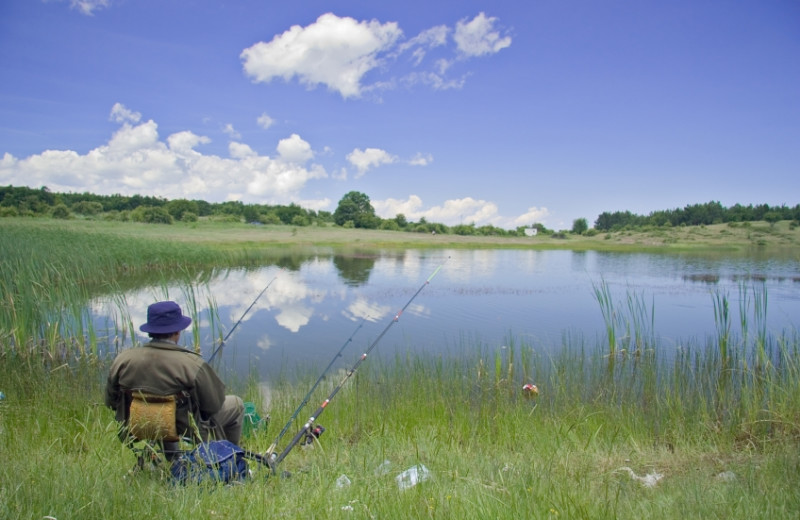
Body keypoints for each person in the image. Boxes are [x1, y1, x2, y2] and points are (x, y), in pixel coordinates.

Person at [105, 300, 244, 445]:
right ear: (177, 332)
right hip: (185, 432)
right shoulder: (193, 364)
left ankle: (159, 454)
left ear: (150, 330)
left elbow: (111, 403)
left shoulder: (122, 360)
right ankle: (229, 455)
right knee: (236, 404)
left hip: (136, 429)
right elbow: (213, 406)